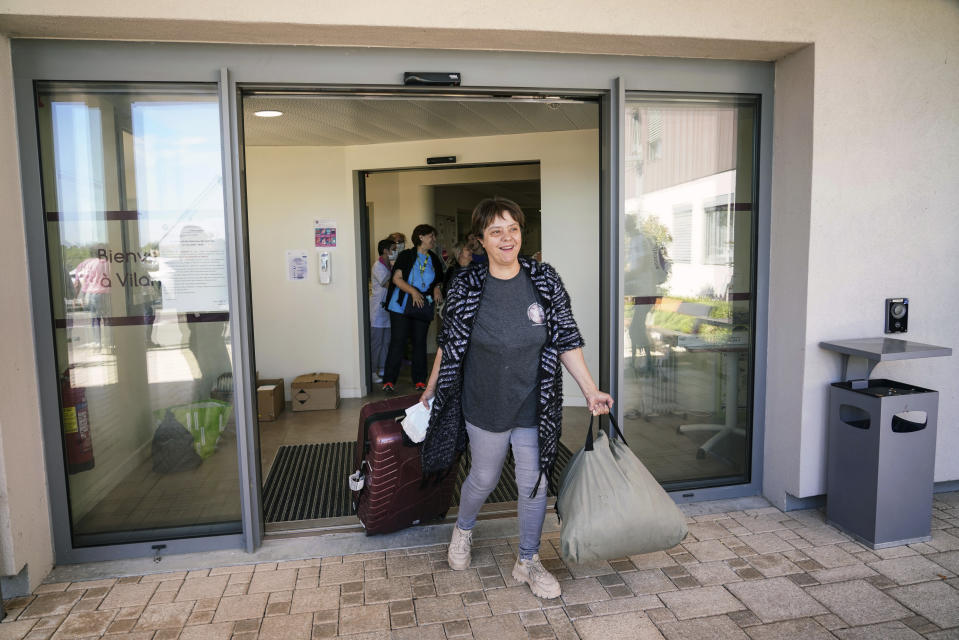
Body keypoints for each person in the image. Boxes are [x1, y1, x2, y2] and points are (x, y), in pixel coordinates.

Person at [419, 197, 613, 599]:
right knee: (484, 477)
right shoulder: (467, 285)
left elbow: (567, 338)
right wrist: (431, 387)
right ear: (481, 241)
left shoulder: (544, 280)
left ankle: (528, 561)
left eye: (513, 229)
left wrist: (590, 390)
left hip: (533, 401)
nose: (507, 238)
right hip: (484, 400)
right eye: (496, 231)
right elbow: (448, 344)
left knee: (535, 482)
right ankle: (463, 531)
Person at [381, 224, 444, 393]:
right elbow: (396, 279)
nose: (434, 240)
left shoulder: (434, 258)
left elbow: (438, 278)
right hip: (401, 305)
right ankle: (389, 380)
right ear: (421, 237)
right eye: (431, 236)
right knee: (398, 342)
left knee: (419, 343)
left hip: (421, 305)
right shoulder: (406, 255)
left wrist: (437, 287)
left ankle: (419, 380)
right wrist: (413, 291)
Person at [369, 238, 394, 383]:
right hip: (378, 310)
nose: (394, 252)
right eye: (392, 249)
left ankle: (383, 368)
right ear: (385, 250)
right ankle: (372, 372)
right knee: (377, 343)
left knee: (386, 342)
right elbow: (387, 284)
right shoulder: (378, 266)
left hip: (387, 310)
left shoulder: (389, 266)